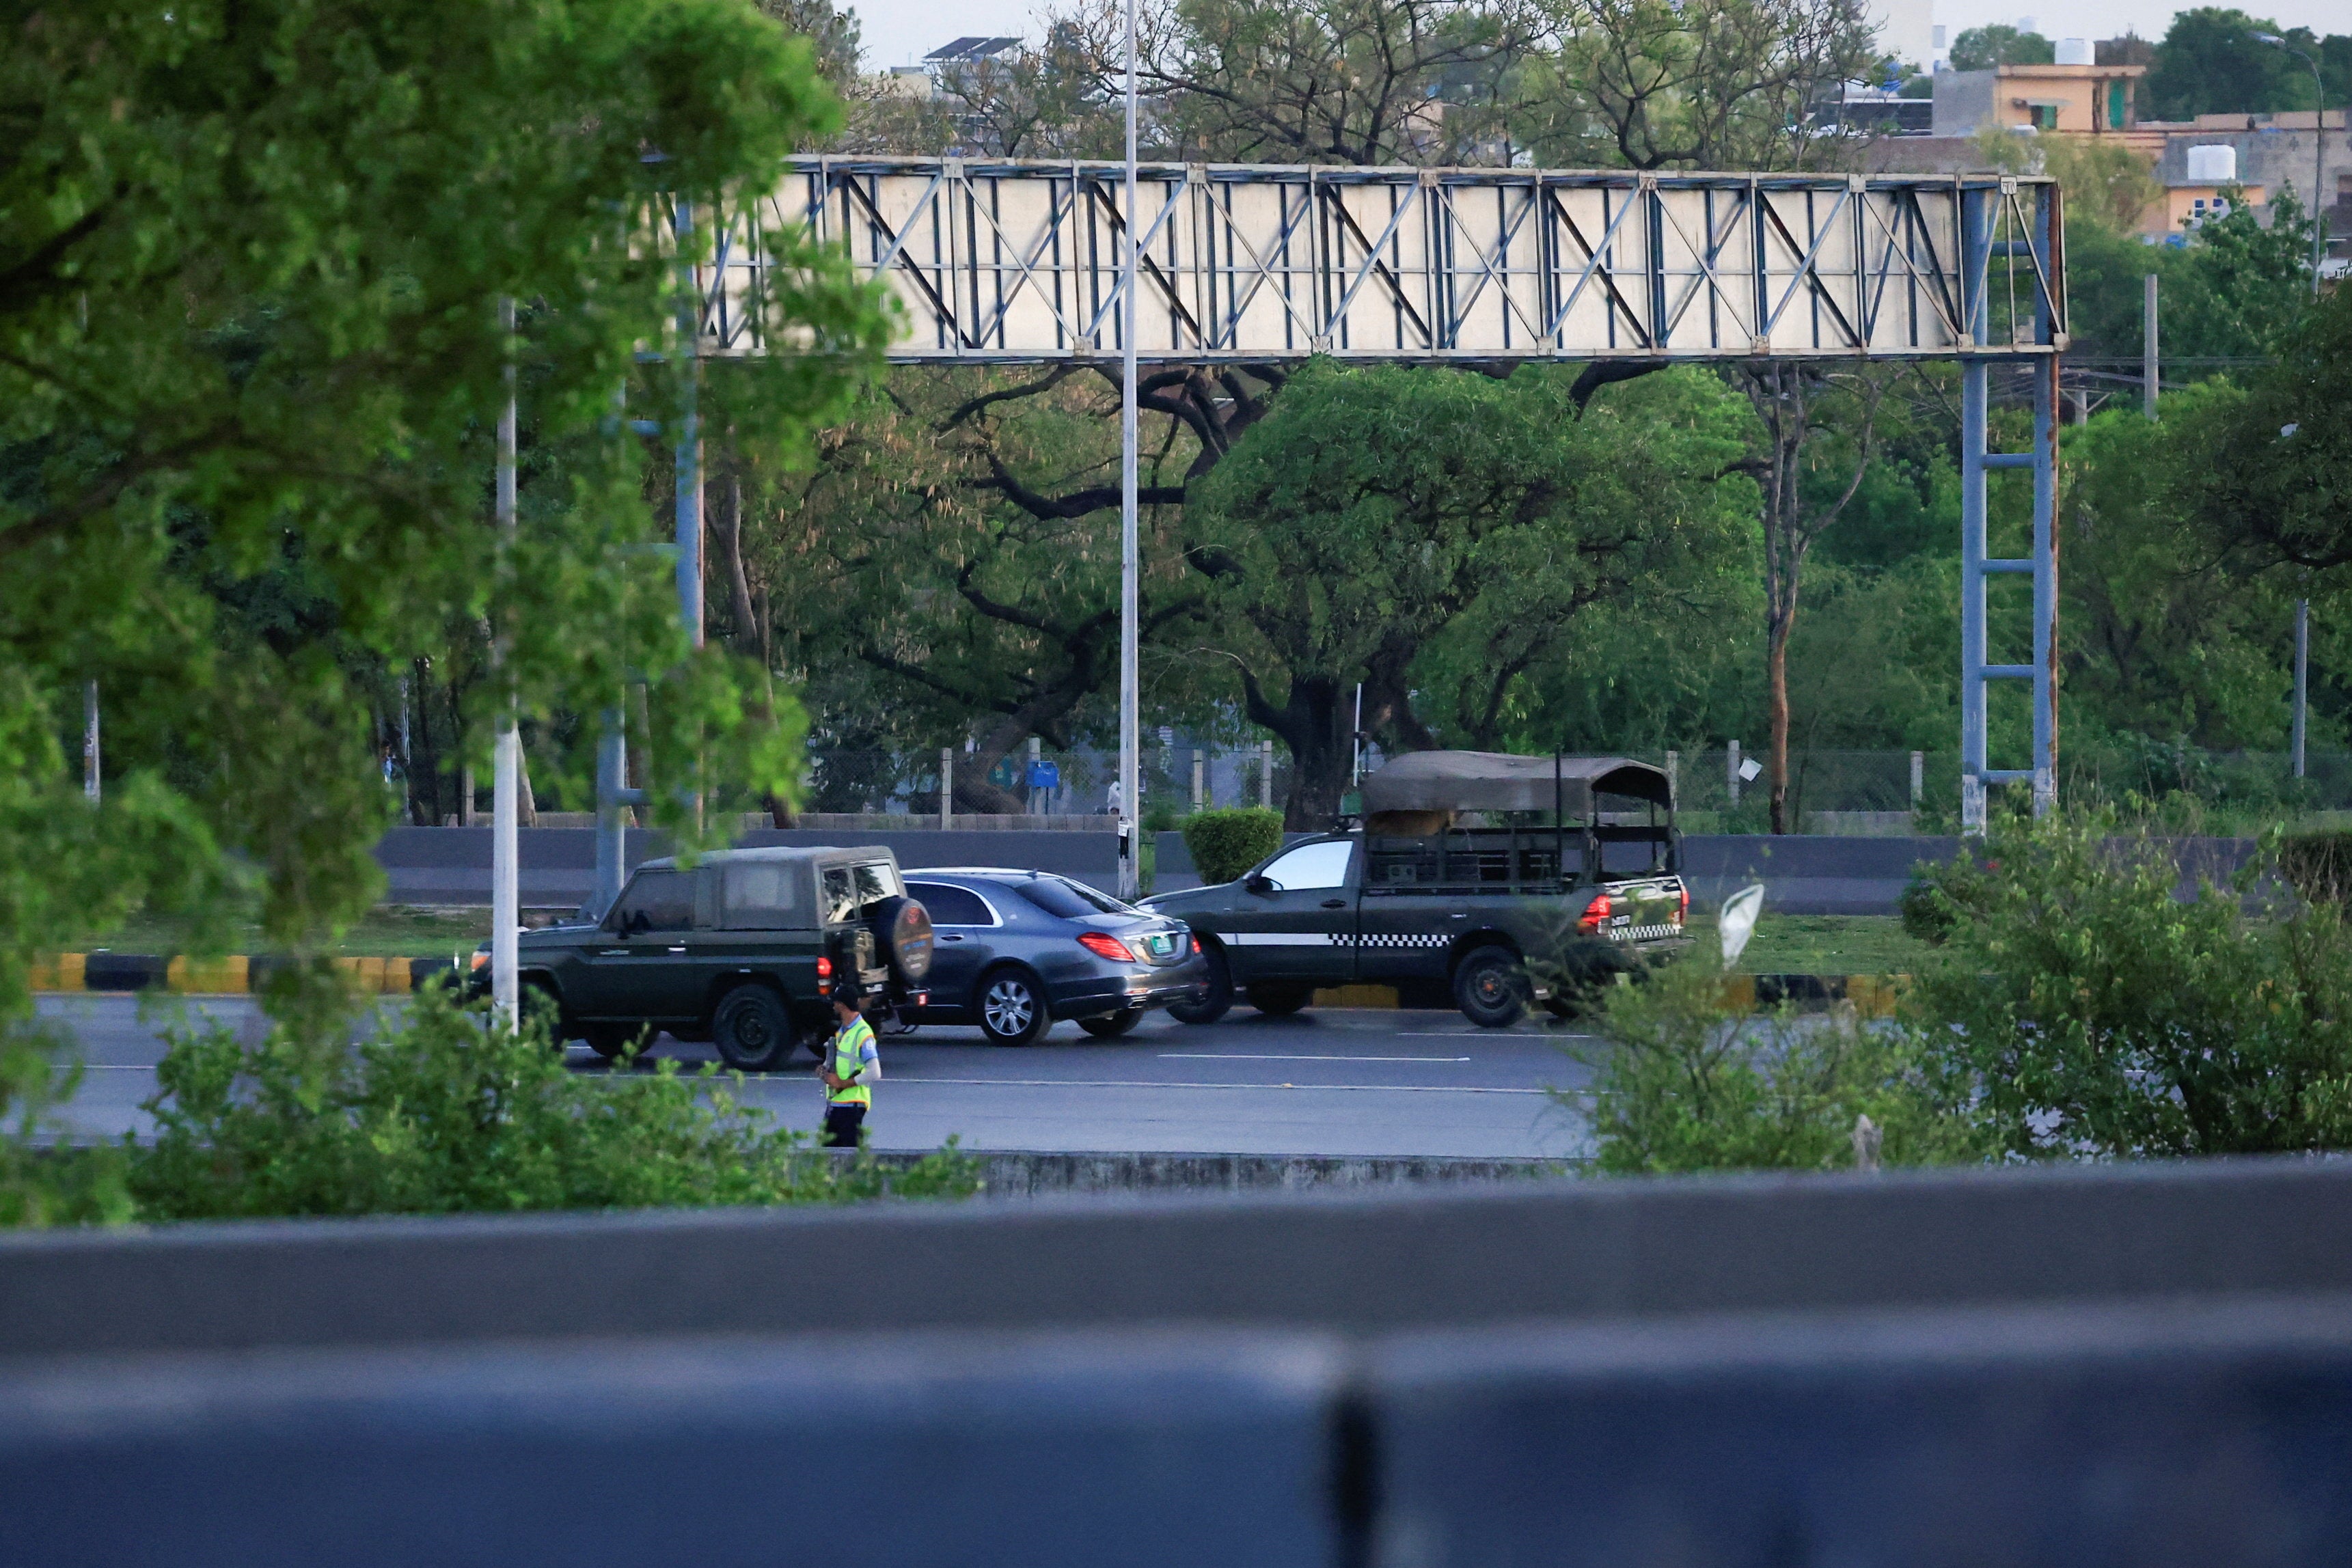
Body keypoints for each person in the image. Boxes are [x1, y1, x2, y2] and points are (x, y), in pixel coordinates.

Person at [819, 984, 879, 1148]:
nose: (833, 1005)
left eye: (835, 1002)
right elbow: (844, 1063)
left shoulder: (862, 1033)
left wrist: (842, 1083)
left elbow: (874, 1072)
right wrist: (824, 1070)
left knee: (849, 1164)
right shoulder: (843, 1032)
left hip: (851, 1107)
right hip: (836, 1105)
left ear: (842, 1005)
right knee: (827, 1162)